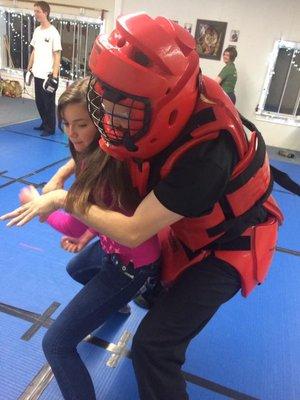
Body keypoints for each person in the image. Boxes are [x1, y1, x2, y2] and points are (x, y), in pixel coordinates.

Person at [1, 13, 284, 400]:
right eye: (105, 100)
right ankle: (130, 299)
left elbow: (134, 230)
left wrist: (61, 199)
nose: (107, 121)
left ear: (165, 103)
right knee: (115, 280)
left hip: (231, 242)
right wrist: (61, 179)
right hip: (181, 223)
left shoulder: (204, 156)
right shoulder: (140, 116)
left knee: (154, 347)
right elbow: (90, 149)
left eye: (123, 109)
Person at [8, 77, 161, 400]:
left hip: (131, 265)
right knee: (76, 268)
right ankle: (118, 307)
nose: (72, 133)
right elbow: (98, 210)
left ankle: (125, 296)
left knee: (56, 344)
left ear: (101, 123)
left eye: (81, 124)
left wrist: (43, 207)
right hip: (111, 247)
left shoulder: (107, 167)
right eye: (66, 124)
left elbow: (76, 223)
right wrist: (61, 176)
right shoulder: (97, 150)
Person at [27, 1, 62, 136]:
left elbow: (57, 54)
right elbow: (34, 51)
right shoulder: (37, 31)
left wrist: (54, 75)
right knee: (39, 102)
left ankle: (50, 128)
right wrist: (29, 68)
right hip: (37, 73)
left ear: (45, 13)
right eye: (34, 11)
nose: (35, 14)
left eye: (38, 11)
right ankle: (44, 122)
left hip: (48, 75)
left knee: (48, 103)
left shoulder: (54, 32)